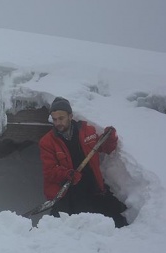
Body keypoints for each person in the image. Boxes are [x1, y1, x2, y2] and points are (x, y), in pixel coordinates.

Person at [39, 97, 128, 228]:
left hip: (94, 186)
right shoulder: (47, 142)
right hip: (68, 191)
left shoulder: (87, 131)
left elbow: (105, 148)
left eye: (61, 118)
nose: (58, 123)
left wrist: (110, 138)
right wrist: (67, 174)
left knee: (117, 218)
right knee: (77, 225)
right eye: (55, 119)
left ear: (70, 116)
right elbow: (49, 171)